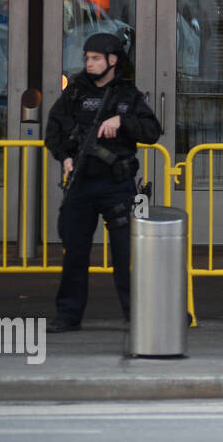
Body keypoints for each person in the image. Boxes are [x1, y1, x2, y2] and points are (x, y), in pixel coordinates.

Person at [44, 32, 162, 332]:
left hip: (116, 184)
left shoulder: (127, 95)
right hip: (81, 183)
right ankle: (68, 316)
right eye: (87, 58)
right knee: (75, 254)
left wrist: (122, 122)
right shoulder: (74, 94)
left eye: (96, 58)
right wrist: (65, 157)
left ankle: (138, 316)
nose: (90, 63)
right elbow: (54, 131)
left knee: (125, 256)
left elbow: (152, 131)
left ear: (112, 60)